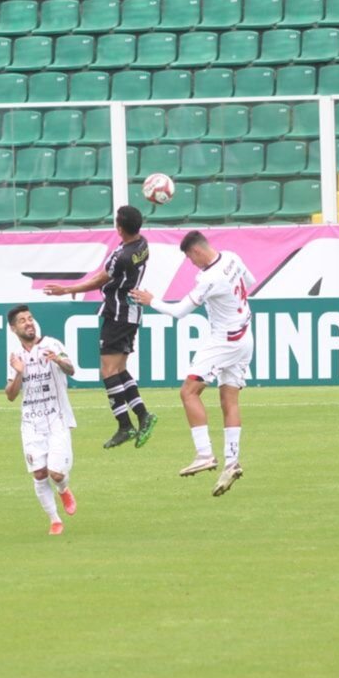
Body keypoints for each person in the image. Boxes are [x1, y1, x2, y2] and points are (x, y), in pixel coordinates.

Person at [130, 230, 255, 497]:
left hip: (225, 339)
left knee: (188, 392)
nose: (191, 263)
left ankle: (204, 454)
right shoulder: (232, 258)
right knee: (229, 400)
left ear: (196, 252)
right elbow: (250, 281)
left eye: (189, 258)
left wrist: (152, 301)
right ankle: (232, 462)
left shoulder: (211, 278)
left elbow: (179, 312)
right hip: (246, 334)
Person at [44, 205, 157, 450]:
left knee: (107, 372)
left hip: (117, 312)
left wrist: (67, 289)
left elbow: (100, 279)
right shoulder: (143, 244)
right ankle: (142, 415)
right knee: (119, 369)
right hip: (132, 311)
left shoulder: (122, 256)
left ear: (119, 228)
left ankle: (125, 425)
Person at [5, 304, 78, 536]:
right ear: (13, 328)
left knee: (55, 473)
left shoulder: (52, 344)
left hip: (56, 417)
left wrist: (58, 360)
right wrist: (18, 372)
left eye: (30, 318)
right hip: (31, 422)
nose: (28, 323)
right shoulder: (16, 356)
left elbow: (71, 369)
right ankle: (55, 520)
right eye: (22, 320)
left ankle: (63, 489)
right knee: (39, 473)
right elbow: (10, 395)